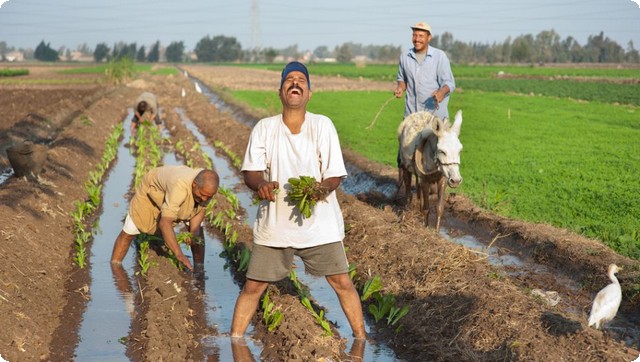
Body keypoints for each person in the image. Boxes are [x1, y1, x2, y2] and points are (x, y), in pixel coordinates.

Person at [230, 61, 366, 340]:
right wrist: (261, 185)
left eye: (300, 80)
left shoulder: (322, 125)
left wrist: (319, 190)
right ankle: (234, 339)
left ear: (309, 93)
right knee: (254, 286)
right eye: (289, 80)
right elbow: (251, 172)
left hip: (320, 225)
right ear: (280, 92)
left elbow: (334, 175)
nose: (295, 83)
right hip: (276, 225)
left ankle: (362, 337)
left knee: (341, 281)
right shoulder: (264, 128)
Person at [110, 165, 219, 271]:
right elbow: (165, 222)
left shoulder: (206, 185)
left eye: (208, 197)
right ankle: (115, 266)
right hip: (154, 190)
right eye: (202, 194)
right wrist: (179, 254)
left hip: (178, 193)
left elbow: (200, 210)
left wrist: (194, 232)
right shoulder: (179, 186)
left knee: (198, 234)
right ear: (194, 184)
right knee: (131, 229)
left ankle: (199, 268)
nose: (205, 199)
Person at [394, 21, 456, 196]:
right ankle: (406, 194)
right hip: (412, 117)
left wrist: (441, 92)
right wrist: (400, 87)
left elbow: (449, 83)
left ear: (429, 38)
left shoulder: (439, 57)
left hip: (434, 118)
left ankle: (438, 190)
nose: (417, 39)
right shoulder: (405, 57)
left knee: (437, 157)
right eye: (414, 35)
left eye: (421, 35)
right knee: (404, 157)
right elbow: (402, 79)